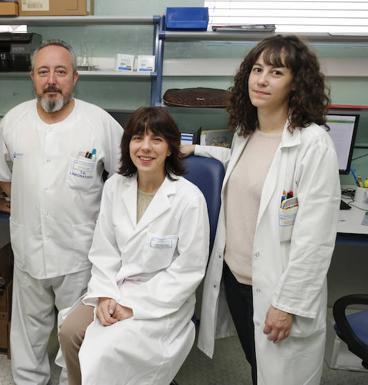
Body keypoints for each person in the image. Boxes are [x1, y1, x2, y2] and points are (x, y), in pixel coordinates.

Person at [182, 35, 340, 385]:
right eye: (257, 69)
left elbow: (314, 241)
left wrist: (288, 305)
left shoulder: (312, 144)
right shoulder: (245, 133)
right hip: (236, 279)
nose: (262, 79)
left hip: (276, 287)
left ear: (296, 83)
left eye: (276, 72)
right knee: (259, 366)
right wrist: (197, 151)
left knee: (282, 376)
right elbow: (248, 170)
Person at [0, 39, 123, 385]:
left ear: (75, 77)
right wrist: (27, 205)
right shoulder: (14, 122)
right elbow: (1, 177)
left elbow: (126, 178)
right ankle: (28, 380)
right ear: (32, 77)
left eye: (60, 71)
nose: (51, 80)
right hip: (28, 245)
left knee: (73, 330)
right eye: (43, 71)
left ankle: (70, 381)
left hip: (79, 249)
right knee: (27, 328)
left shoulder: (99, 123)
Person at [58, 106, 209, 385]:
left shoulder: (188, 199)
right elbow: (105, 251)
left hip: (161, 300)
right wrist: (105, 296)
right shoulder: (115, 186)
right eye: (138, 138)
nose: (145, 148)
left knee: (105, 349)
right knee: (69, 332)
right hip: (114, 286)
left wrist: (134, 306)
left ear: (170, 148)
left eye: (157, 139)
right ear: (127, 144)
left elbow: (188, 270)